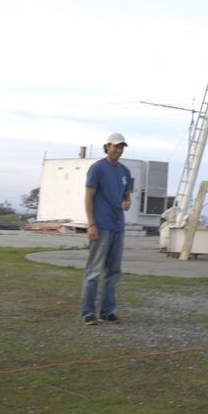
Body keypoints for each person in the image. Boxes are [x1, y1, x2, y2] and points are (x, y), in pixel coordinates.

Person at [80, 132, 132, 325]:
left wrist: (127, 202)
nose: (118, 150)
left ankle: (107, 311)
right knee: (94, 270)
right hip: (101, 226)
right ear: (107, 146)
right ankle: (88, 312)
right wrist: (91, 224)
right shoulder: (97, 169)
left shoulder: (125, 172)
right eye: (115, 146)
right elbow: (89, 197)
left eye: (121, 147)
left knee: (114, 271)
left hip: (118, 225)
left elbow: (127, 196)